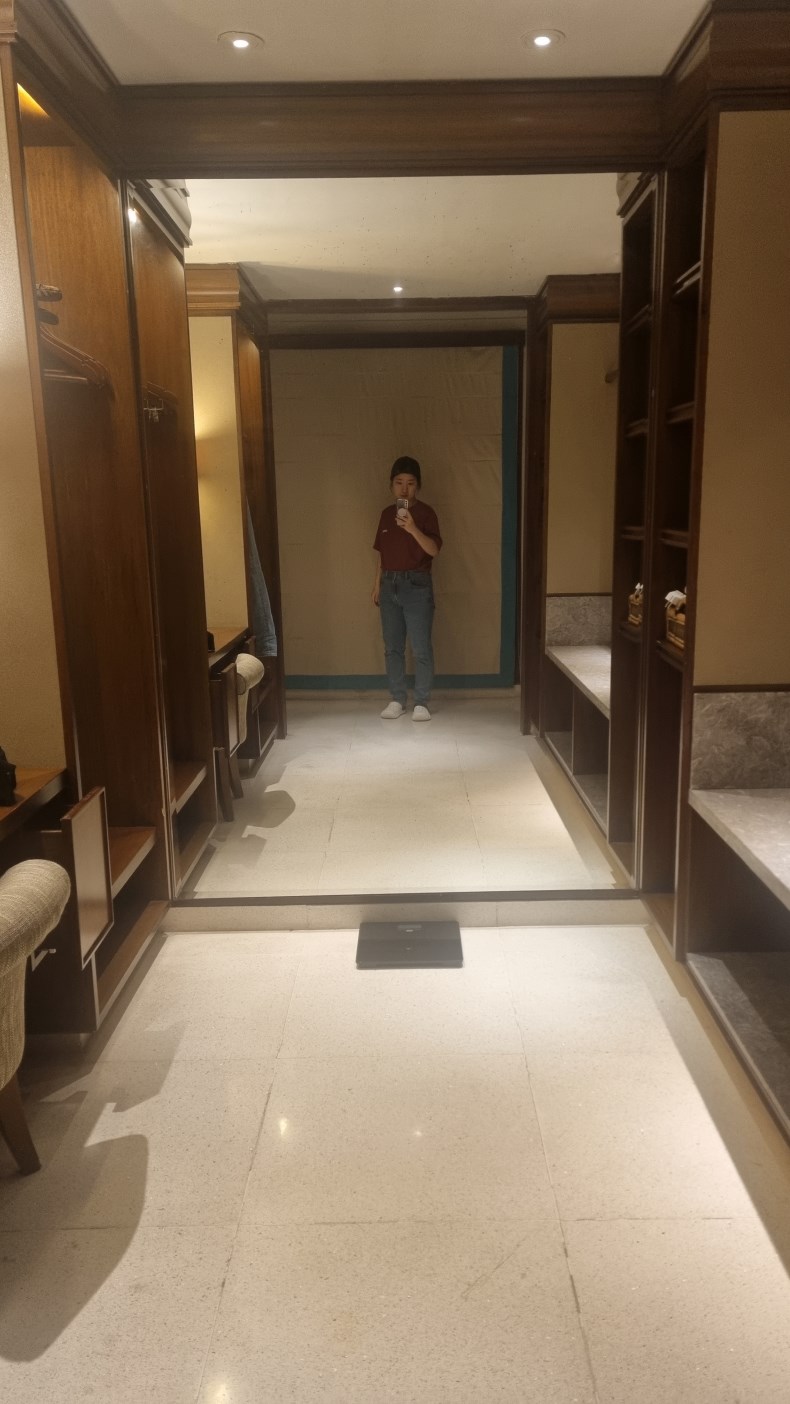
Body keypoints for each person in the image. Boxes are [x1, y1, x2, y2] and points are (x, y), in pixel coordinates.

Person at [372, 456, 442, 720]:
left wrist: (412, 528)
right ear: (391, 485)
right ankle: (397, 699)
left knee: (421, 647)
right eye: (399, 482)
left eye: (410, 483)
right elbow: (382, 554)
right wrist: (376, 584)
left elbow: (433, 550)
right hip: (389, 584)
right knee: (392, 647)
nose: (404, 489)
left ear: (418, 486)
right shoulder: (385, 515)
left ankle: (422, 701)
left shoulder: (426, 514)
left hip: (417, 584)